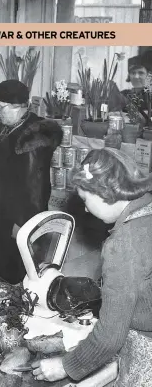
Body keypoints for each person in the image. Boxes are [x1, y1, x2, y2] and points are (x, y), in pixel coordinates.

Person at [32, 148, 152, 386]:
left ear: (105, 193)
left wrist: (66, 365)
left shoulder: (123, 244)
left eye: (86, 200)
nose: (85, 209)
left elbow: (109, 337)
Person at [0, 80, 63, 291]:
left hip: (14, 220)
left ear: (19, 106)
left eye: (0, 107)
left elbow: (36, 188)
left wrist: (24, 225)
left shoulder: (33, 138)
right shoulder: (4, 127)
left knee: (9, 276)